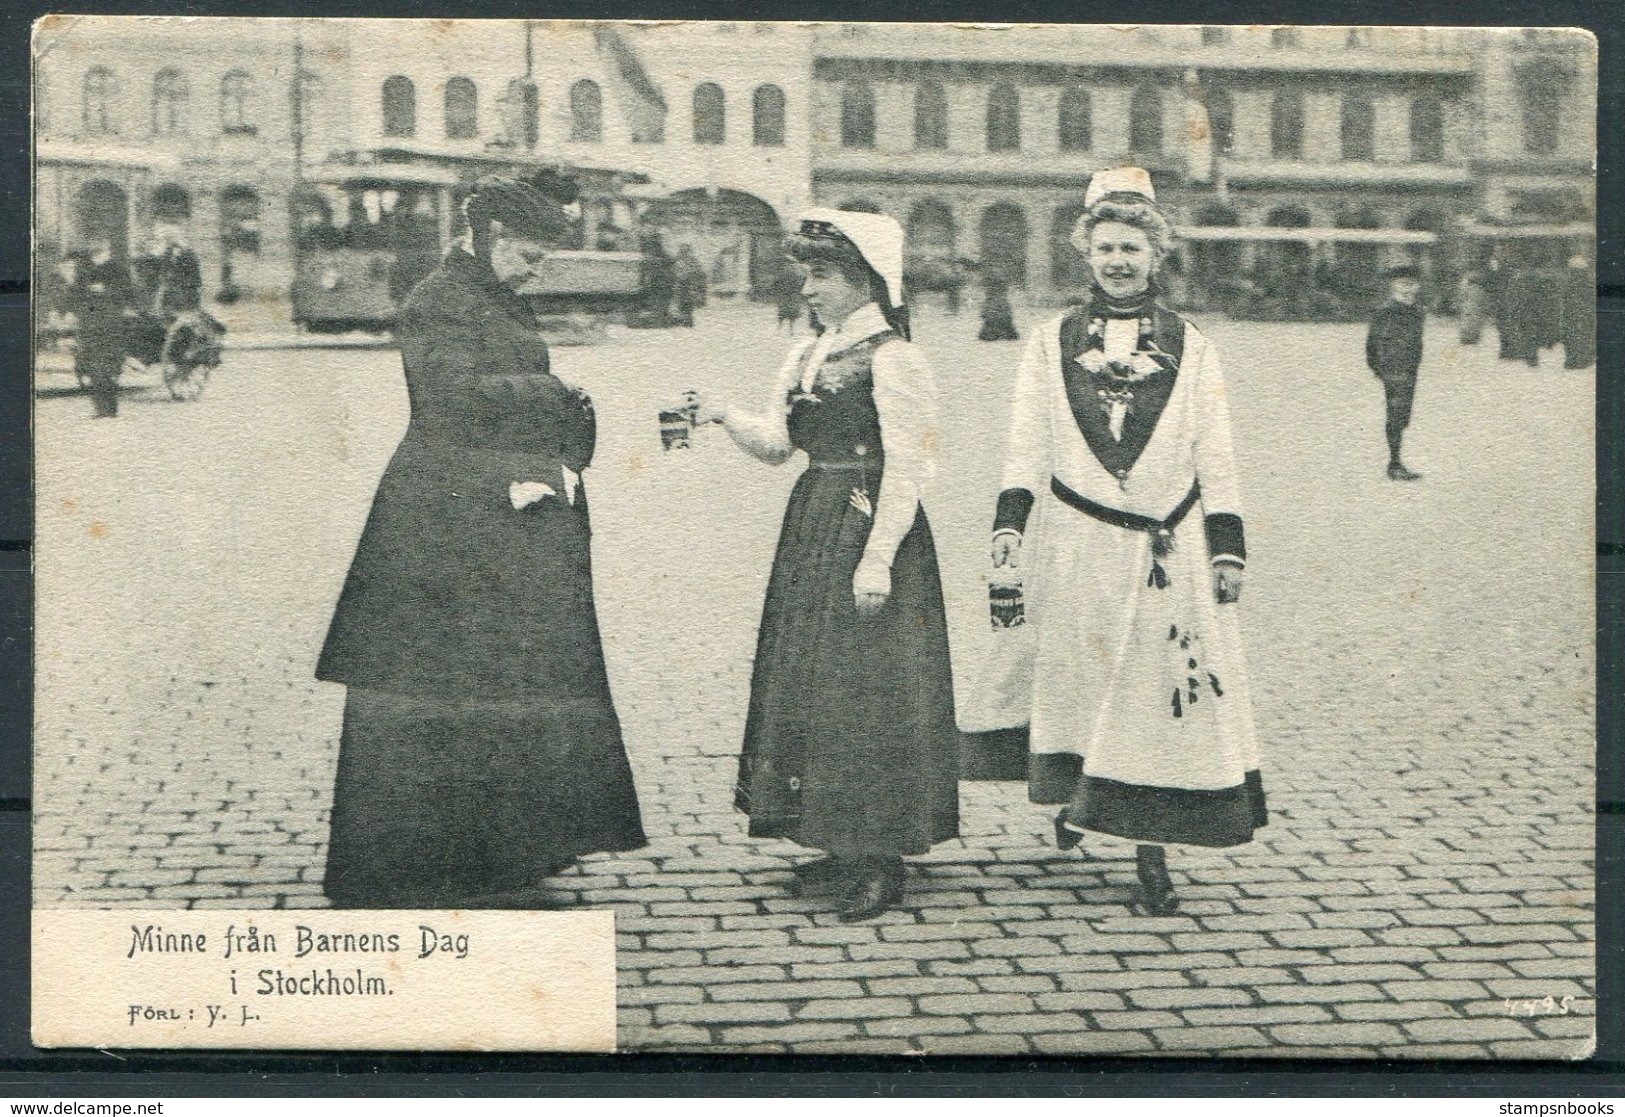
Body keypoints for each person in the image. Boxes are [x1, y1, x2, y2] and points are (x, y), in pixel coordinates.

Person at [316, 175, 646, 909]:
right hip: (440, 516)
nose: (537, 271)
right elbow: (451, 400)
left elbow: (499, 385)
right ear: (492, 235)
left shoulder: (489, 295)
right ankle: (434, 860)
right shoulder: (437, 301)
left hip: (493, 508)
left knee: (502, 676)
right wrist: (558, 395)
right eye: (530, 254)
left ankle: (504, 843)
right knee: (448, 683)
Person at [985, 167, 1264, 916]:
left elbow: (1217, 452)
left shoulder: (1193, 346)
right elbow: (1025, 444)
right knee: (1081, 684)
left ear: (1155, 254)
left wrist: (1226, 546)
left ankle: (1152, 853)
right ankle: (1081, 796)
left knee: (1155, 698)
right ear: (1085, 252)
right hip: (1076, 546)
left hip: (1160, 553)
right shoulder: (1048, 343)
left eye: (1131, 248)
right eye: (1104, 246)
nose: (1117, 260)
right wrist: (1008, 529)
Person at [717, 208, 959, 922]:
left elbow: (911, 466)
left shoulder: (894, 359)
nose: (809, 288)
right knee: (814, 680)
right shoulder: (807, 352)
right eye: (808, 274)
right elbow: (774, 444)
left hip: (869, 525)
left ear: (864, 281)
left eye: (822, 275)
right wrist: (721, 416)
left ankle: (881, 856)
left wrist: (878, 559)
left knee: (870, 690)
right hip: (812, 521)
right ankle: (834, 836)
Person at [1366, 264, 1425, 482]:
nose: (1407, 289)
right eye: (1402, 284)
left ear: (1417, 287)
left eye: (1411, 285)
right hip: (1393, 368)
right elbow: (1372, 341)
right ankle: (1395, 463)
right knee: (1396, 414)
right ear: (1393, 286)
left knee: (1403, 415)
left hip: (1410, 369)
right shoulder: (1385, 311)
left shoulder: (1418, 312)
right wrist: (1378, 367)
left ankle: (1396, 462)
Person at [64, 236, 134, 418]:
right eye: (95, 253)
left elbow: (128, 291)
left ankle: (110, 407)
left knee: (108, 366)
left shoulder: (117, 268)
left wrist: (106, 290)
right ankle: (100, 408)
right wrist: (70, 311)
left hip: (110, 323)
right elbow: (74, 292)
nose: (98, 257)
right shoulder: (84, 268)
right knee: (91, 365)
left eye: (101, 253)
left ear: (108, 252)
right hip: (88, 322)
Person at [1560, 254, 1595, 370]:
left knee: (1572, 336)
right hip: (1583, 314)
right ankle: (1581, 359)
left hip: (1573, 314)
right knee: (1583, 336)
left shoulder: (1569, 282)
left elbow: (1566, 300)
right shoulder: (1588, 282)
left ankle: (1573, 360)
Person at [977, 272, 1020, 341]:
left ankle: (995, 333)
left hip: (993, 322)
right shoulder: (1001, 298)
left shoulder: (991, 298)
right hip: (1001, 321)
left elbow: (984, 314)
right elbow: (1008, 315)